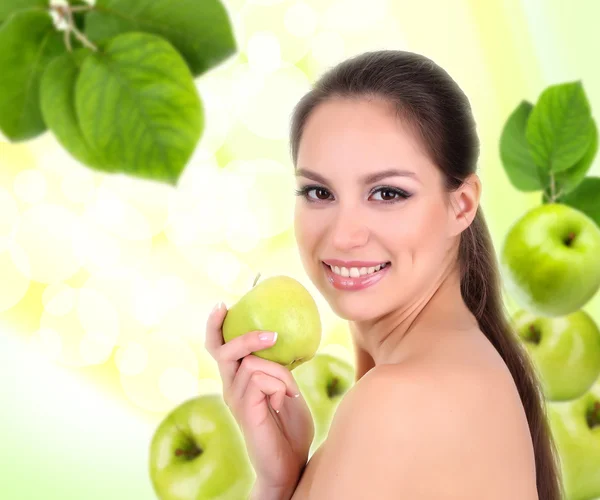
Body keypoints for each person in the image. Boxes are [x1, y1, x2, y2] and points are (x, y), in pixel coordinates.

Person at [205, 50, 564, 499]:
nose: (344, 235)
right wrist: (283, 475)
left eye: (388, 193)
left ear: (462, 205)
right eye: (319, 191)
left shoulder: (398, 399)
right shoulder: (462, 363)